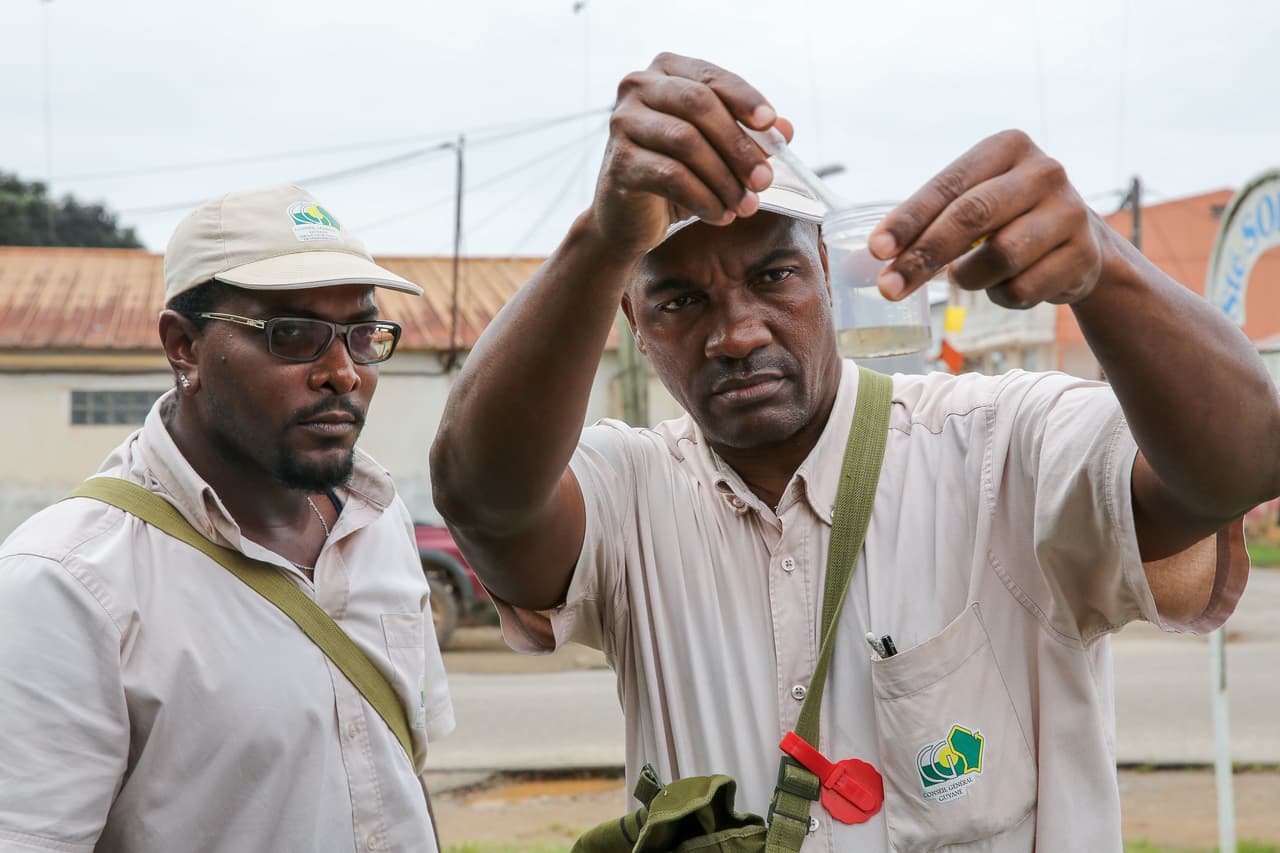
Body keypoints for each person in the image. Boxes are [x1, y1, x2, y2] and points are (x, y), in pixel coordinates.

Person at [430, 52, 1279, 850]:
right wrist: (602, 238)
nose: (735, 332)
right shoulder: (631, 494)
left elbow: (1239, 464)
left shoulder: (998, 447)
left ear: (828, 281)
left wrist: (1102, 269)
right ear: (635, 327)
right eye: (681, 299)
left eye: (772, 276)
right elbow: (480, 497)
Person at [0, 186, 454, 853]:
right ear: (183, 347)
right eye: (293, 335)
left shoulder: (377, 522)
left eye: (363, 335)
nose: (342, 372)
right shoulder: (66, 583)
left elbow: (403, 778)